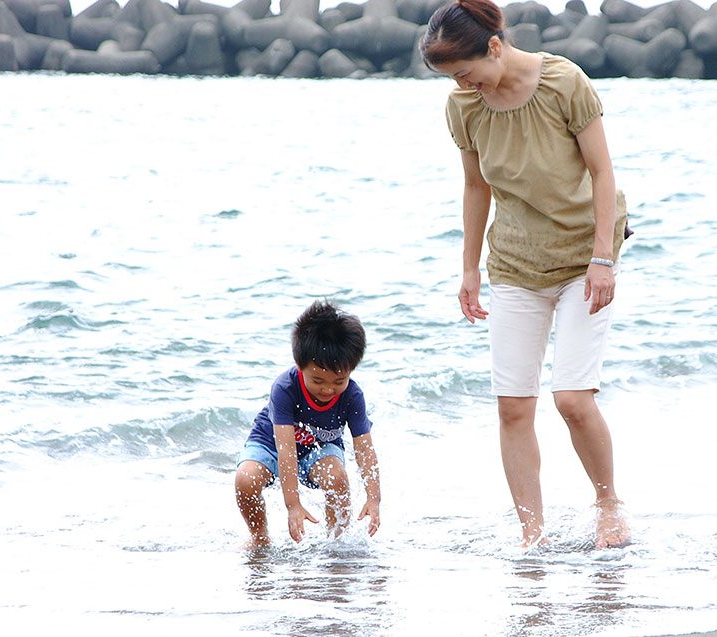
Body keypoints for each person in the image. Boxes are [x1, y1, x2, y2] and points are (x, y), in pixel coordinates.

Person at [420, 0, 632, 548]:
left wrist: (603, 258)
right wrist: (469, 269)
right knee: (514, 406)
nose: (461, 85)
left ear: (494, 46)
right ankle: (531, 536)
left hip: (584, 256)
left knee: (572, 399)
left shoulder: (564, 82)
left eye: (465, 72)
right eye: (451, 78)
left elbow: (602, 172)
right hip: (515, 260)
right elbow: (475, 187)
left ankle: (608, 503)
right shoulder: (464, 107)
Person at [234, 301, 380, 549]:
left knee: (337, 478)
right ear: (299, 364)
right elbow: (286, 450)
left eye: (338, 381)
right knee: (245, 479)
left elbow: (365, 449)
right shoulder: (285, 388)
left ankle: (337, 543)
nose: (328, 389)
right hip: (271, 444)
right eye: (318, 380)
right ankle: (259, 538)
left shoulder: (352, 396)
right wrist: (293, 505)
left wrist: (374, 498)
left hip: (319, 448)